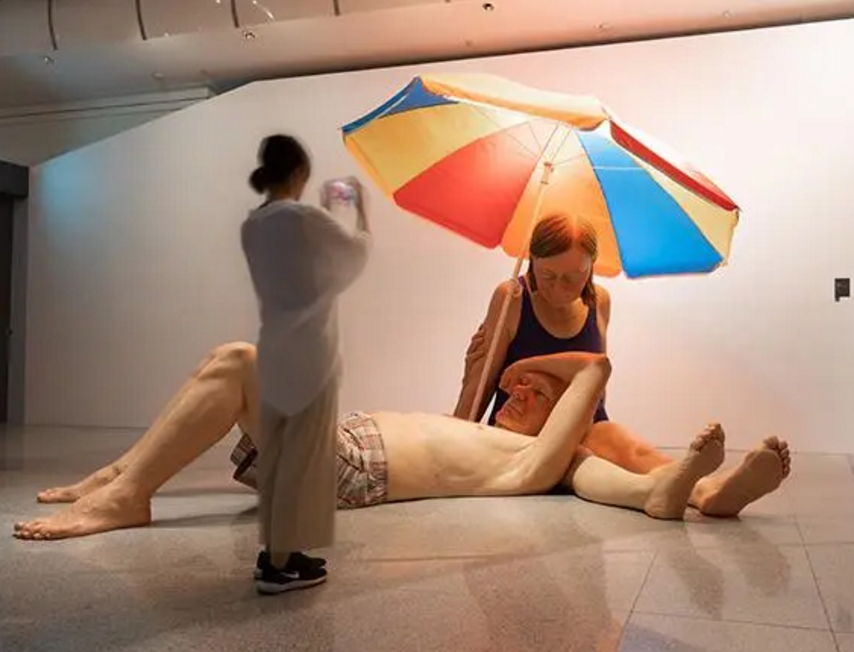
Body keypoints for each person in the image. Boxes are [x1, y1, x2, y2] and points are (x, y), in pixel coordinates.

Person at [15, 344, 790, 548]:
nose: (518, 394)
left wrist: (539, 369)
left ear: (561, 426)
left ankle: (129, 495)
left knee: (242, 362)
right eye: (515, 390)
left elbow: (595, 366)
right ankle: (118, 475)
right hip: (339, 447)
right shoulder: (489, 433)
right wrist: (498, 372)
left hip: (349, 472)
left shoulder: (542, 462)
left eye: (533, 398)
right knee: (225, 363)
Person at [454, 212, 685, 474]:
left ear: (591, 266)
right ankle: (660, 486)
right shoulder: (511, 298)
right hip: (522, 433)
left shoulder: (600, 301)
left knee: (626, 448)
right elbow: (480, 385)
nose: (558, 288)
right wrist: (456, 440)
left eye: (572, 277)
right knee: (583, 461)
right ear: (532, 261)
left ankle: (696, 485)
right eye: (548, 275)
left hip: (582, 432)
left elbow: (597, 392)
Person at [240, 134, 371, 593]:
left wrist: (323, 215)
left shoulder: (252, 225)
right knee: (304, 462)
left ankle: (279, 550)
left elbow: (298, 266)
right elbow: (353, 255)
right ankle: (278, 564)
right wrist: (358, 208)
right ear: (298, 173)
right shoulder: (306, 218)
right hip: (313, 356)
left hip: (274, 354)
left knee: (277, 460)